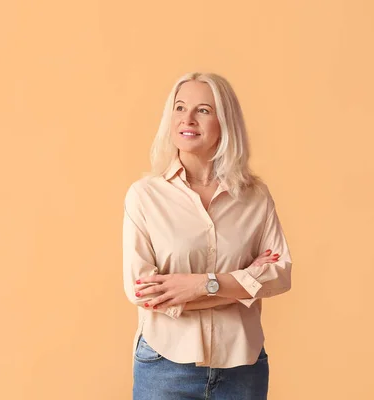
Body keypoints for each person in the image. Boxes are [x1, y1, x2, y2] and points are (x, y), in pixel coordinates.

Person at [122, 72, 293, 400]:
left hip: (243, 366)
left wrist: (199, 284)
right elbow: (144, 292)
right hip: (166, 364)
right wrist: (244, 285)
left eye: (203, 110)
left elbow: (279, 274)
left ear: (225, 121)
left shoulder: (254, 196)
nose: (187, 119)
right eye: (180, 107)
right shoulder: (145, 196)